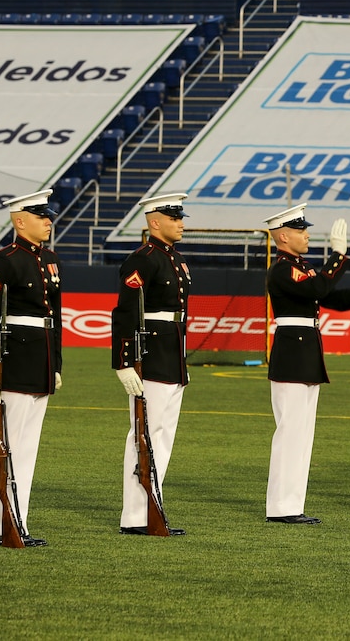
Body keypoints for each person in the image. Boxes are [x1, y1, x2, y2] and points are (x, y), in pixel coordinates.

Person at [263, 203, 350, 525]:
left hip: (305, 355)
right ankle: (281, 506)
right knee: (291, 434)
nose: (307, 234)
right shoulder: (282, 269)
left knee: (302, 436)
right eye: (300, 230)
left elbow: (337, 300)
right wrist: (338, 258)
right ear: (283, 236)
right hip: (292, 356)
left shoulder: (303, 267)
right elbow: (318, 288)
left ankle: (291, 504)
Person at [0, 189, 63, 548]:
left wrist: (56, 363)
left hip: (39, 362)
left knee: (28, 447)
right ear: (20, 221)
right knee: (4, 444)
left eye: (48, 216)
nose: (48, 222)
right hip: (13, 361)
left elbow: (55, 318)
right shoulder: (3, 261)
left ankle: (17, 519)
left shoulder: (51, 260)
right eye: (41, 216)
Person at [111, 193, 191, 537]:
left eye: (180, 217)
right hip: (152, 351)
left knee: (163, 435)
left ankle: (152, 506)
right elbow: (126, 310)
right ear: (154, 221)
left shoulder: (175, 259)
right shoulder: (142, 259)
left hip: (173, 349)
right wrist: (124, 360)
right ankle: (135, 514)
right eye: (174, 218)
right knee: (144, 433)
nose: (181, 223)